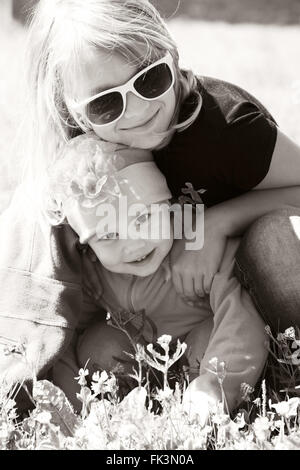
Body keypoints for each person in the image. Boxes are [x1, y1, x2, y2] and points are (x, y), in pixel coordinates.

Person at [1, 0, 300, 409]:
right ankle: (20, 366)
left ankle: (283, 360)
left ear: (172, 57)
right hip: (167, 313)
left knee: (276, 240)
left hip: (239, 271)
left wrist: (218, 222)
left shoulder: (230, 127)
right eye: (106, 102)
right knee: (31, 221)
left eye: (151, 79)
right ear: (70, 106)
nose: (139, 110)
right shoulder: (79, 157)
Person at [49, 133, 268, 417]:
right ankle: (137, 397)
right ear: (87, 246)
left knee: (206, 340)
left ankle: (199, 402)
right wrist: (71, 405)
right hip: (146, 355)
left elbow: (241, 317)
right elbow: (64, 333)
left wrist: (215, 387)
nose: (134, 244)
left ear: (170, 209)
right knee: (96, 346)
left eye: (143, 218)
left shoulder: (199, 248)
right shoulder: (93, 271)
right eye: (109, 235)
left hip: (202, 351)